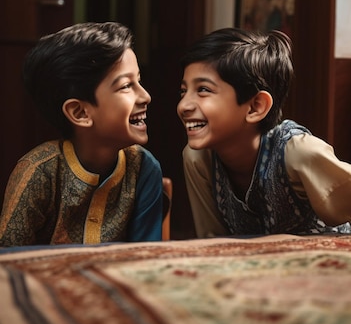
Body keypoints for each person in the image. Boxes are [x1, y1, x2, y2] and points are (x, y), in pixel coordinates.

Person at [177, 27, 351, 238]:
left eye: (203, 90)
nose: (184, 105)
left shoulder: (298, 151)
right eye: (184, 91)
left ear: (255, 107)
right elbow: (213, 240)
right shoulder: (198, 159)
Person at [0, 21, 163, 246]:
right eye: (126, 86)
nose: (145, 96)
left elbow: (145, 256)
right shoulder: (38, 173)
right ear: (80, 112)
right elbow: (9, 261)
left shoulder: (144, 168)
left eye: (139, 81)